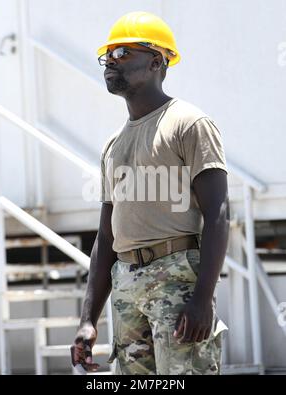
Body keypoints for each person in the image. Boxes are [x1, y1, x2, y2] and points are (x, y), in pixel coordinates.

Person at [71, 11, 230, 375]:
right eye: (107, 56)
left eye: (123, 53)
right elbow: (106, 236)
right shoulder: (113, 144)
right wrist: (87, 320)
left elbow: (218, 216)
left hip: (177, 279)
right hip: (126, 282)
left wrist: (203, 298)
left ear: (157, 61)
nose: (111, 62)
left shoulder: (189, 123)